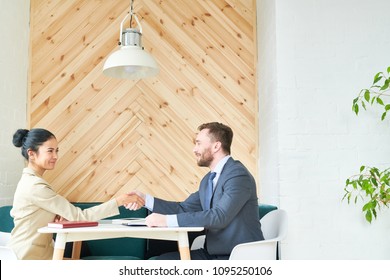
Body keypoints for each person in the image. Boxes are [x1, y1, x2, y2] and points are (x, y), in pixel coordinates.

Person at [127, 122, 264, 260]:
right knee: (157, 262)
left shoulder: (237, 175)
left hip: (237, 257)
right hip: (212, 253)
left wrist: (166, 221)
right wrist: (145, 199)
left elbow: (219, 216)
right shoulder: (208, 180)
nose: (194, 149)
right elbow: (184, 208)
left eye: (198, 143)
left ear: (216, 146)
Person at [9, 128, 145, 260]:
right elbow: (80, 216)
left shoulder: (31, 182)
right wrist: (119, 201)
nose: (55, 156)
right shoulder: (35, 186)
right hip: (29, 259)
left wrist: (59, 215)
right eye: (50, 151)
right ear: (31, 154)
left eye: (56, 151)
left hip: (35, 254)